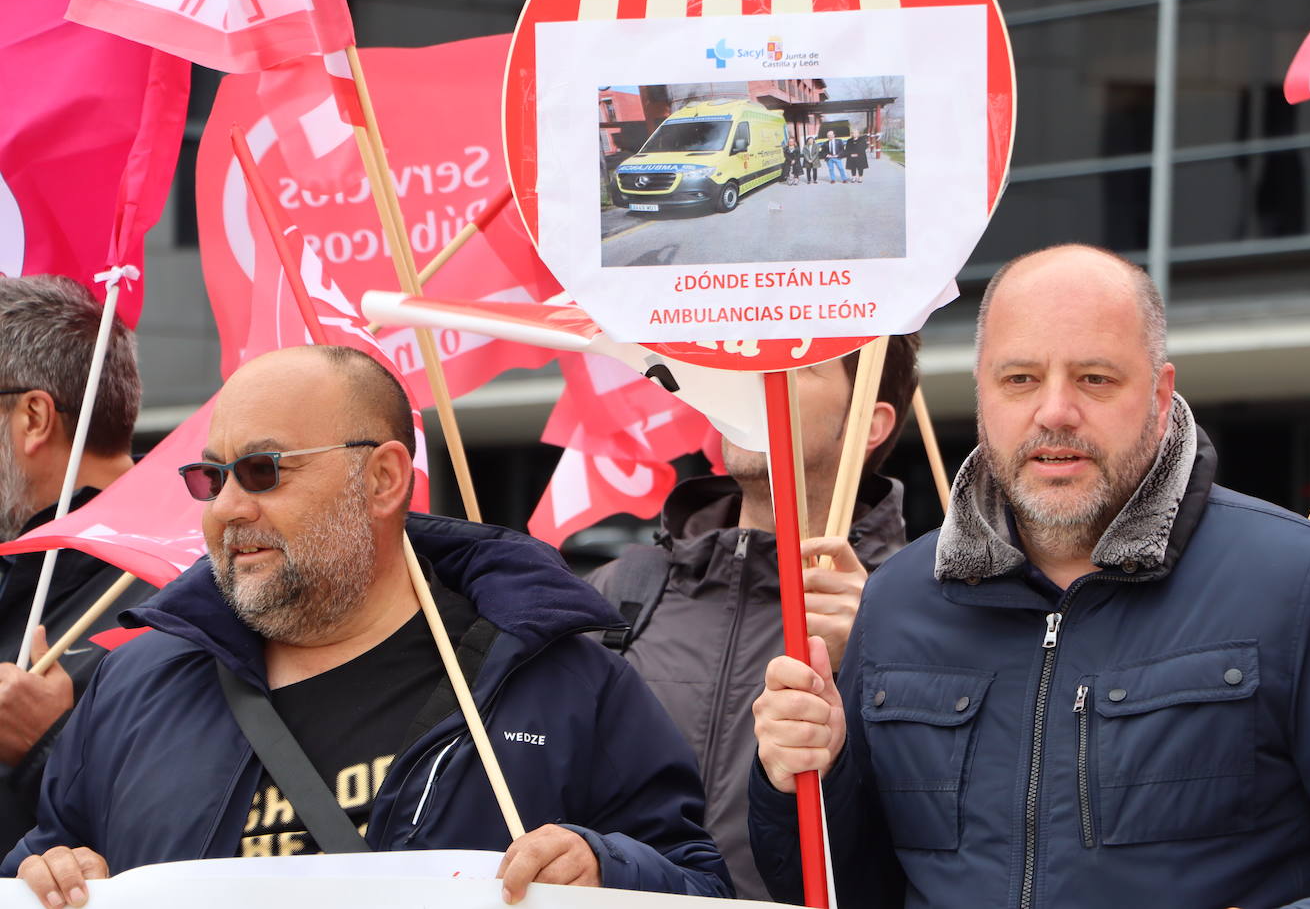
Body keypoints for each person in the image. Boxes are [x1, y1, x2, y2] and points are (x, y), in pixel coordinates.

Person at [750, 244, 1310, 908]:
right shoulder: (900, 597)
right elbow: (847, 887)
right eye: (1019, 379)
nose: (1054, 411)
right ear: (983, 393)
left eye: (1095, 379)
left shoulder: (1309, 585)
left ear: (1161, 396)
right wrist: (799, 780)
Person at [6, 346, 730, 907]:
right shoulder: (134, 685)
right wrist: (53, 872)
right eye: (210, 477)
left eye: (262, 470)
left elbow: (702, 885)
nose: (226, 507)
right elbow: (40, 862)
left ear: (383, 479)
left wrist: (603, 867)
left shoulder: (561, 681)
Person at [589, 335, 920, 900]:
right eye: (748, 357)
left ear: (869, 421)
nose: (756, 381)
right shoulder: (616, 591)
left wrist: (877, 656)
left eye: (799, 364)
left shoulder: (924, 609)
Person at [0, 275, 156, 857]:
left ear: (34, 416)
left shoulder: (193, 579)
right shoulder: (25, 567)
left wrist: (50, 742)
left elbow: (205, 807)